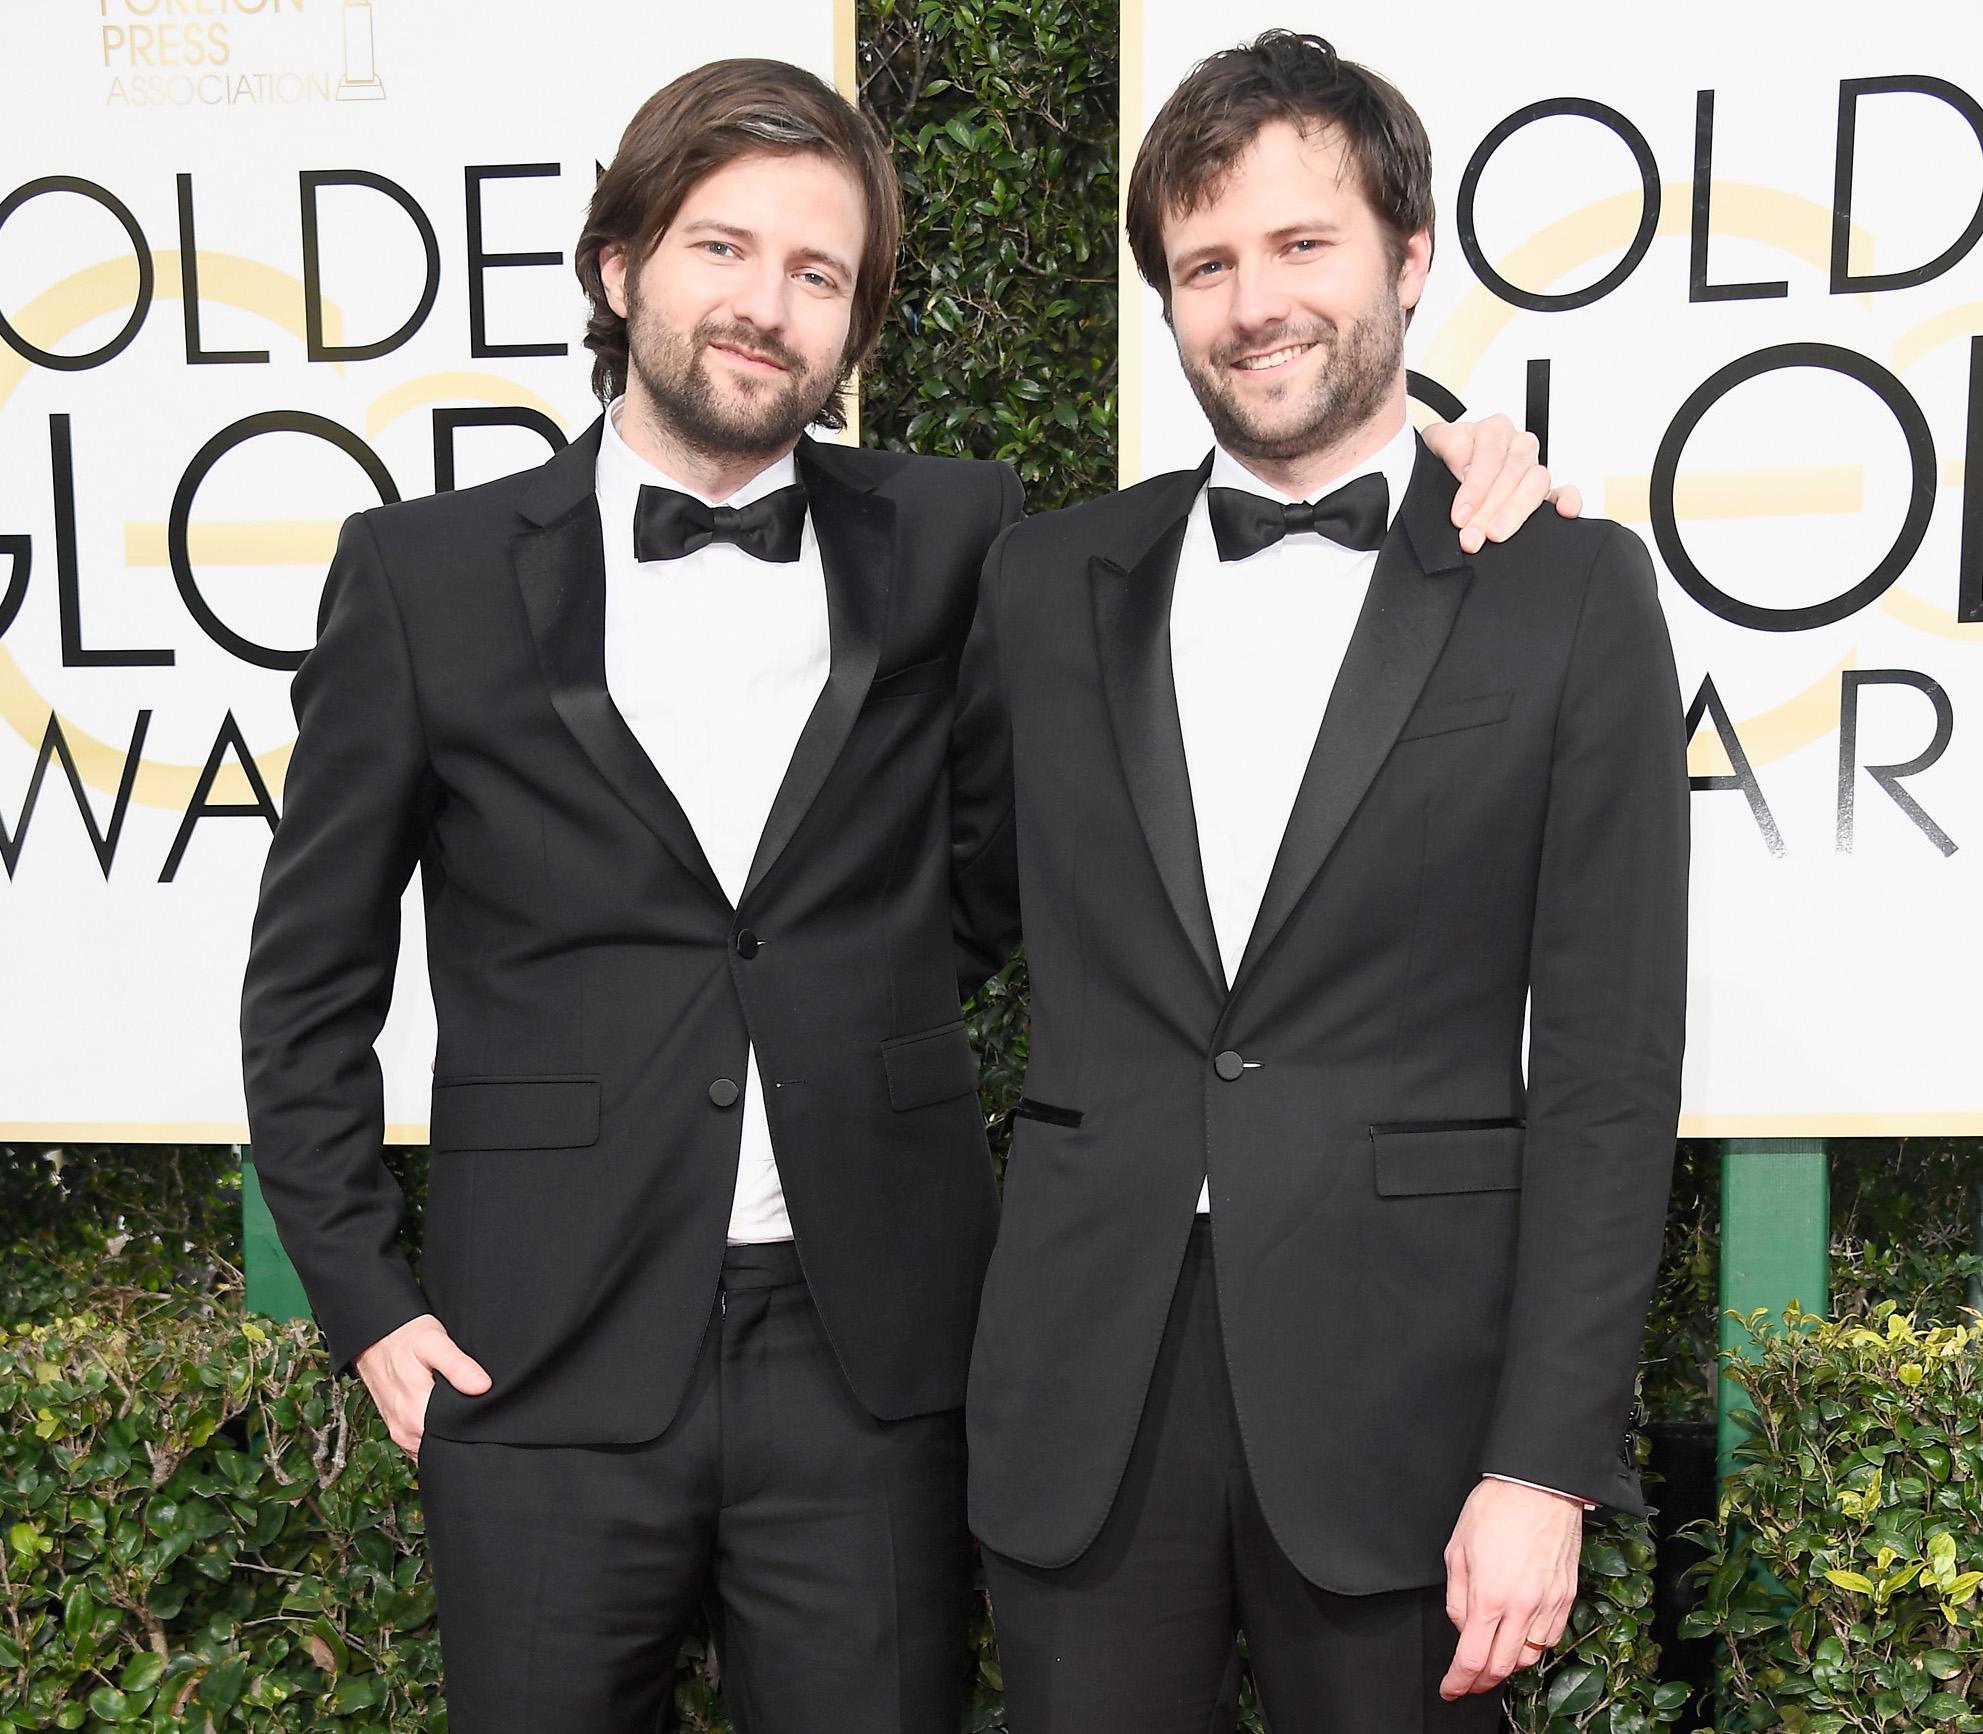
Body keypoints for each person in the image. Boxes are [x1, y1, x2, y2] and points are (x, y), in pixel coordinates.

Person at [241, 52, 1571, 1734]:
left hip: (876, 1357)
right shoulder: (418, 576)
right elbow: (305, 988)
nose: (765, 305)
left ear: (857, 327)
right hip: (536, 1355)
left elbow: (1017, 874)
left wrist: (1482, 485)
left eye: (819, 274)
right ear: (617, 265)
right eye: (723, 248)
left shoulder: (967, 541)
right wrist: (367, 1302)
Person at [955, 31, 1689, 1734]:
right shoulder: (1043, 579)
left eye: (1302, 246)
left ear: (1410, 258)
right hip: (1089, 1396)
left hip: (1416, 1419)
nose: (1250, 302)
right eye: (1205, 264)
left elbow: (1605, 1069)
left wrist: (1544, 1462)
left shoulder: (1564, 591)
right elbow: (932, 915)